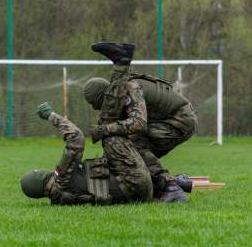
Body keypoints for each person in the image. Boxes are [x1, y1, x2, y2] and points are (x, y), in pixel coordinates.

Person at [84, 42, 197, 201]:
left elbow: (138, 124)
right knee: (130, 152)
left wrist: (105, 130)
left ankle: (171, 188)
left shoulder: (130, 88)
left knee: (134, 145)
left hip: (180, 120)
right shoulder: (123, 89)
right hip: (174, 119)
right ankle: (171, 184)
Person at [20, 102, 153, 205]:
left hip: (133, 195)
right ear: (40, 178)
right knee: (111, 138)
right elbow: (76, 138)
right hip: (135, 183)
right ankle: (165, 179)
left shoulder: (59, 198)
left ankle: (163, 181)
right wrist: (51, 115)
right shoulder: (61, 177)